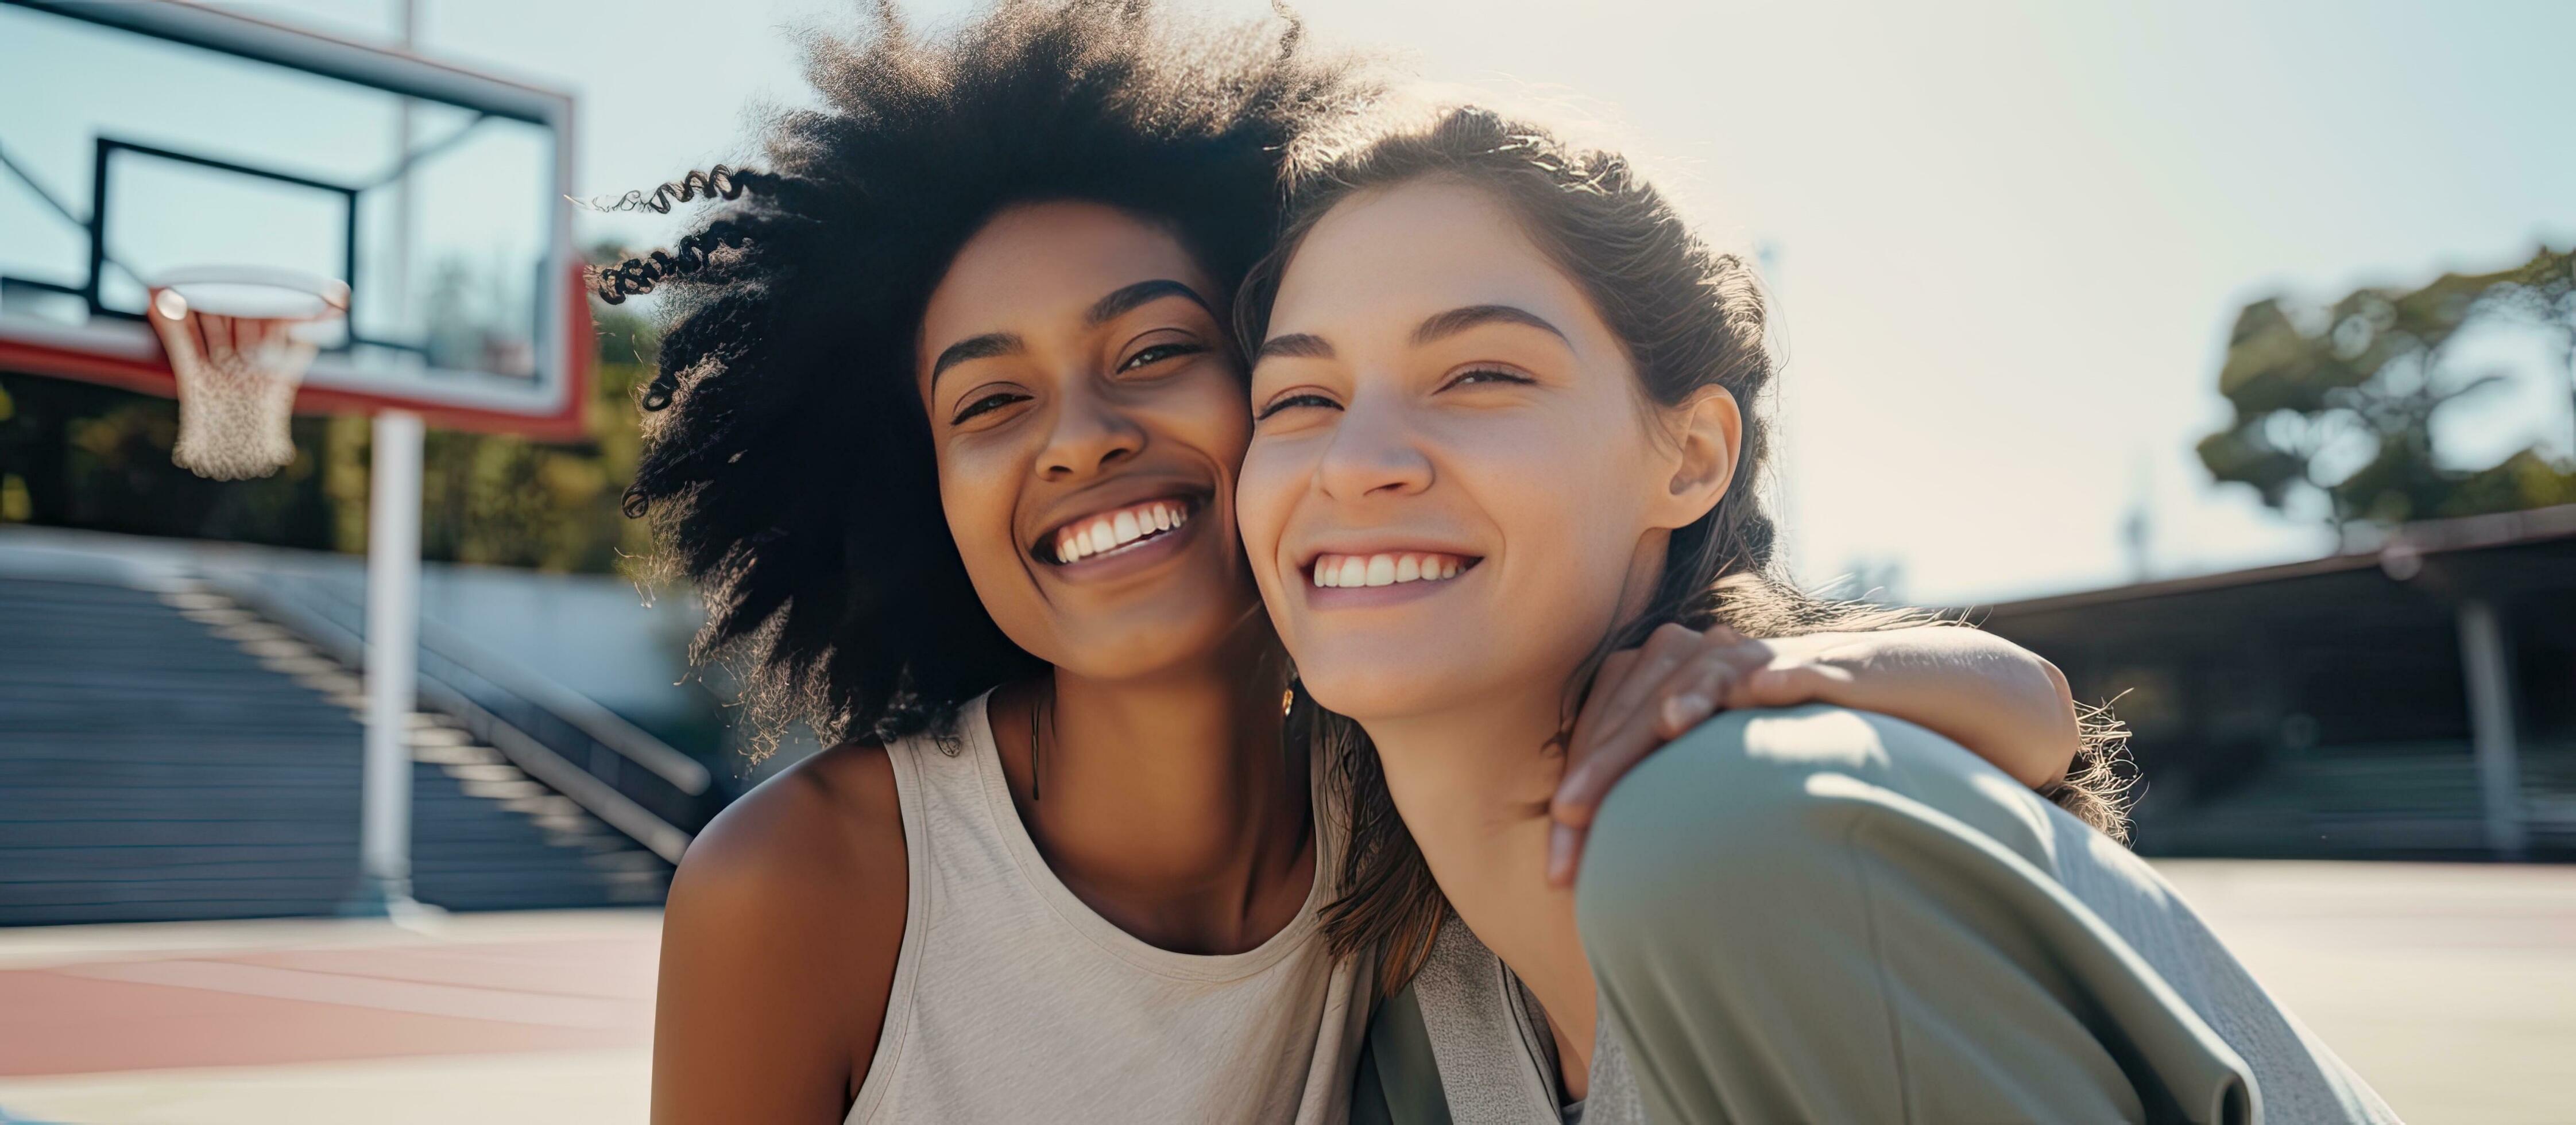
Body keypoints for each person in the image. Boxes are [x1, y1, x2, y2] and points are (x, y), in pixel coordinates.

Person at [608, 6, 2117, 1122]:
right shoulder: (809, 883)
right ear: (917, 491)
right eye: (989, 402)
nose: (1073, 440)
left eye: (1157, 350)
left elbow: (2023, 709)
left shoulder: (1421, 782)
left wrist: (1820, 663)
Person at [1235, 105, 2399, 1124]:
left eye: (1481, 373)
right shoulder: (1417, 1001)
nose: (1357, 459)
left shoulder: (1731, 827)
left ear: (1689, 456)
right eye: (1298, 396)